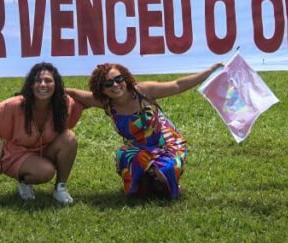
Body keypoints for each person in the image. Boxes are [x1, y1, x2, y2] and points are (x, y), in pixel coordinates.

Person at [67, 62, 222, 199]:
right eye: (108, 84)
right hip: (138, 147)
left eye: (118, 79)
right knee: (125, 157)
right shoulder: (106, 103)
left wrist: (209, 70)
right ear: (102, 90)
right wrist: (52, 89)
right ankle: (146, 180)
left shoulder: (143, 91)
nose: (115, 85)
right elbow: (73, 93)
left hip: (167, 142)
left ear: (125, 79)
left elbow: (177, 85)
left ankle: (160, 179)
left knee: (167, 170)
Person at [0, 62, 82, 205]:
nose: (43, 85)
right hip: (16, 154)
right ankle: (24, 181)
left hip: (43, 149)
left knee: (69, 137)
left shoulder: (62, 103)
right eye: (38, 81)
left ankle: (60, 189)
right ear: (31, 85)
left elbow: (90, 100)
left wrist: (112, 98)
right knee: (46, 172)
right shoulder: (17, 104)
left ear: (56, 84)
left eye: (48, 81)